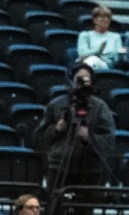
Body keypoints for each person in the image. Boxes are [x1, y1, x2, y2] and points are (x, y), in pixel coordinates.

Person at [37, 64, 120, 193]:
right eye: (79, 78)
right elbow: (40, 138)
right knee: (54, 204)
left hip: (90, 167)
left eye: (87, 78)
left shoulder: (100, 107)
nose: (83, 81)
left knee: (85, 209)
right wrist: (57, 129)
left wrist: (89, 137)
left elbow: (109, 138)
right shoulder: (56, 104)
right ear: (71, 80)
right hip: (59, 165)